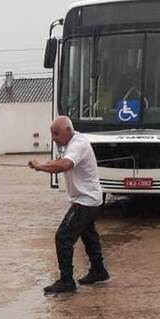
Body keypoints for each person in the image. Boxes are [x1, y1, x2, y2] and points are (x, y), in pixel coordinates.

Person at [29, 116, 110, 293]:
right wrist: (45, 165)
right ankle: (99, 270)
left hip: (86, 200)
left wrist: (40, 167)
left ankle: (66, 280)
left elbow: (65, 164)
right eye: (52, 134)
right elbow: (60, 162)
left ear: (68, 131)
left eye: (56, 134)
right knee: (88, 235)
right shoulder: (69, 143)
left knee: (63, 236)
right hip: (90, 197)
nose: (54, 138)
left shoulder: (78, 144)